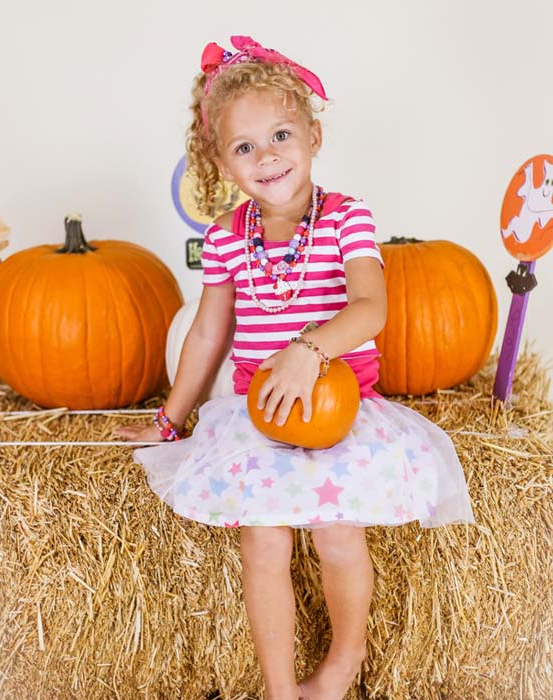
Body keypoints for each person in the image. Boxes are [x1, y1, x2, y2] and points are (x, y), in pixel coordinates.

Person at [114, 35, 475, 700]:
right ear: (220, 162)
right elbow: (208, 333)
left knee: (338, 533)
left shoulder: (346, 219)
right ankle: (281, 691)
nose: (267, 156)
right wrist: (168, 421)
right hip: (260, 413)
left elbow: (371, 308)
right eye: (244, 147)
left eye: (281, 134)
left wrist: (310, 350)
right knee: (264, 540)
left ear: (313, 135)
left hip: (343, 408)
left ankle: (340, 667)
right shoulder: (226, 237)